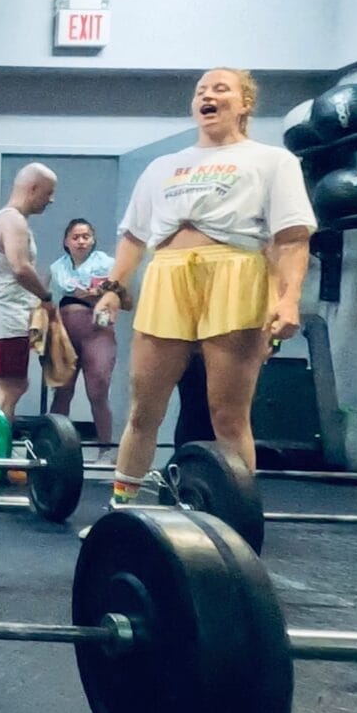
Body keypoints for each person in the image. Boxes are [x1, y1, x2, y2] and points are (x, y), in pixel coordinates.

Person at [93, 68, 314, 511]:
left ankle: (237, 518)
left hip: (235, 273)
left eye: (220, 88)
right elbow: (134, 236)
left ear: (245, 103)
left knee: (228, 415)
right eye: (201, 91)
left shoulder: (272, 161)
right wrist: (114, 287)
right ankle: (121, 510)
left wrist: (288, 300)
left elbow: (292, 238)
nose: (207, 96)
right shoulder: (161, 167)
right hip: (168, 275)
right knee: (143, 410)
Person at [0, 165, 59, 423]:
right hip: (3, 318)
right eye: (48, 193)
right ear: (32, 188)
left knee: (8, 386)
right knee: (11, 387)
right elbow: (20, 268)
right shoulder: (13, 221)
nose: (51, 200)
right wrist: (46, 297)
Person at [47, 219, 117, 458]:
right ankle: (53, 448)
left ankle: (105, 450)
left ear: (93, 239)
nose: (81, 241)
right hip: (64, 333)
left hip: (97, 332)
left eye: (86, 236)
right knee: (62, 390)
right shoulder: (57, 268)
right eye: (75, 237)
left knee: (98, 390)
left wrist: (99, 293)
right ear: (66, 241)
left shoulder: (108, 264)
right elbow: (45, 301)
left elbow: (124, 295)